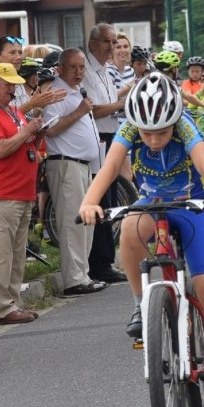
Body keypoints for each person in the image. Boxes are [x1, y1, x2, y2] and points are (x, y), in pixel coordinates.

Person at [78, 72, 204, 407]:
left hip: (193, 206)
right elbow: (109, 169)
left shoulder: (184, 126)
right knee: (128, 227)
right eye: (147, 132)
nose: (153, 140)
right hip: (152, 205)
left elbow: (203, 162)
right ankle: (142, 304)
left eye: (162, 132)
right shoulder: (128, 129)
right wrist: (89, 202)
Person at [0, 63, 46, 324]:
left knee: (15, 253)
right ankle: (2, 307)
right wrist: (28, 131)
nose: (12, 89)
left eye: (14, 84)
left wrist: (36, 135)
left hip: (20, 191)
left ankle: (13, 302)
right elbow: (0, 150)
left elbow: (25, 147)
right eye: (7, 84)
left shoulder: (13, 111)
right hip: (0, 193)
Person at [42, 48, 107, 295]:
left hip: (83, 165)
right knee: (72, 222)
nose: (79, 72)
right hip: (66, 164)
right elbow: (50, 129)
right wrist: (79, 111)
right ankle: (73, 279)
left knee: (86, 221)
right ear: (60, 69)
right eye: (73, 67)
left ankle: (83, 274)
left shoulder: (76, 92)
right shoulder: (57, 94)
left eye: (82, 67)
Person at [82, 24, 129, 284]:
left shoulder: (106, 71)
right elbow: (94, 109)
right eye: (106, 41)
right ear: (92, 43)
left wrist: (120, 106)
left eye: (113, 42)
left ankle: (105, 260)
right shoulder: (87, 70)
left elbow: (108, 107)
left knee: (110, 199)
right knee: (101, 199)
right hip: (97, 139)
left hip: (110, 136)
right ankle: (99, 263)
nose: (111, 47)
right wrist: (121, 104)